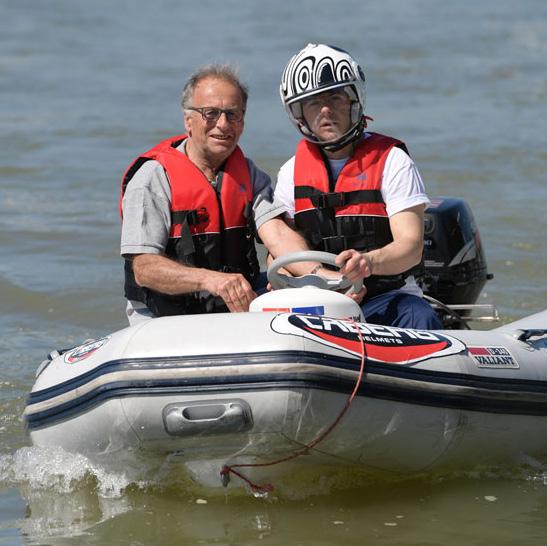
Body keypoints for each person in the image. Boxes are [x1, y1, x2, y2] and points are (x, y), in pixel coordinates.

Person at [120, 64, 320, 325]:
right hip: (162, 318)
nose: (223, 124)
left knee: (304, 298)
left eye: (232, 114)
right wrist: (209, 279)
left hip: (231, 311)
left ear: (243, 122)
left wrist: (320, 277)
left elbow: (278, 235)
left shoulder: (249, 175)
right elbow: (144, 269)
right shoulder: (152, 178)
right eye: (210, 113)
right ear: (188, 120)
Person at [275, 43, 442, 329]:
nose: (326, 110)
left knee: (418, 315)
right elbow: (278, 251)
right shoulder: (290, 172)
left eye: (336, 97)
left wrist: (368, 263)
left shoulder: (393, 161)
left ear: (355, 99)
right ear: (299, 113)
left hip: (389, 299)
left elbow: (411, 245)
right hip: (319, 303)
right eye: (314, 102)